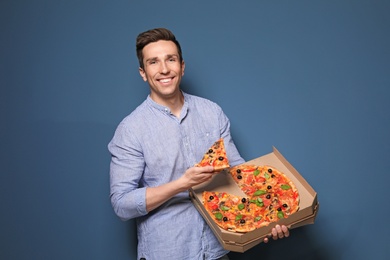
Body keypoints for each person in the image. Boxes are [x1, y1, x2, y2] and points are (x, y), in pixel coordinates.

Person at [108, 28, 289, 260]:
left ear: (182, 66)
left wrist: (269, 217)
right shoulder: (131, 129)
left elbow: (238, 175)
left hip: (217, 251)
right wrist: (182, 184)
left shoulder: (212, 112)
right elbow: (122, 203)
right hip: (166, 253)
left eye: (170, 59)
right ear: (143, 73)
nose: (164, 69)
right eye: (154, 62)